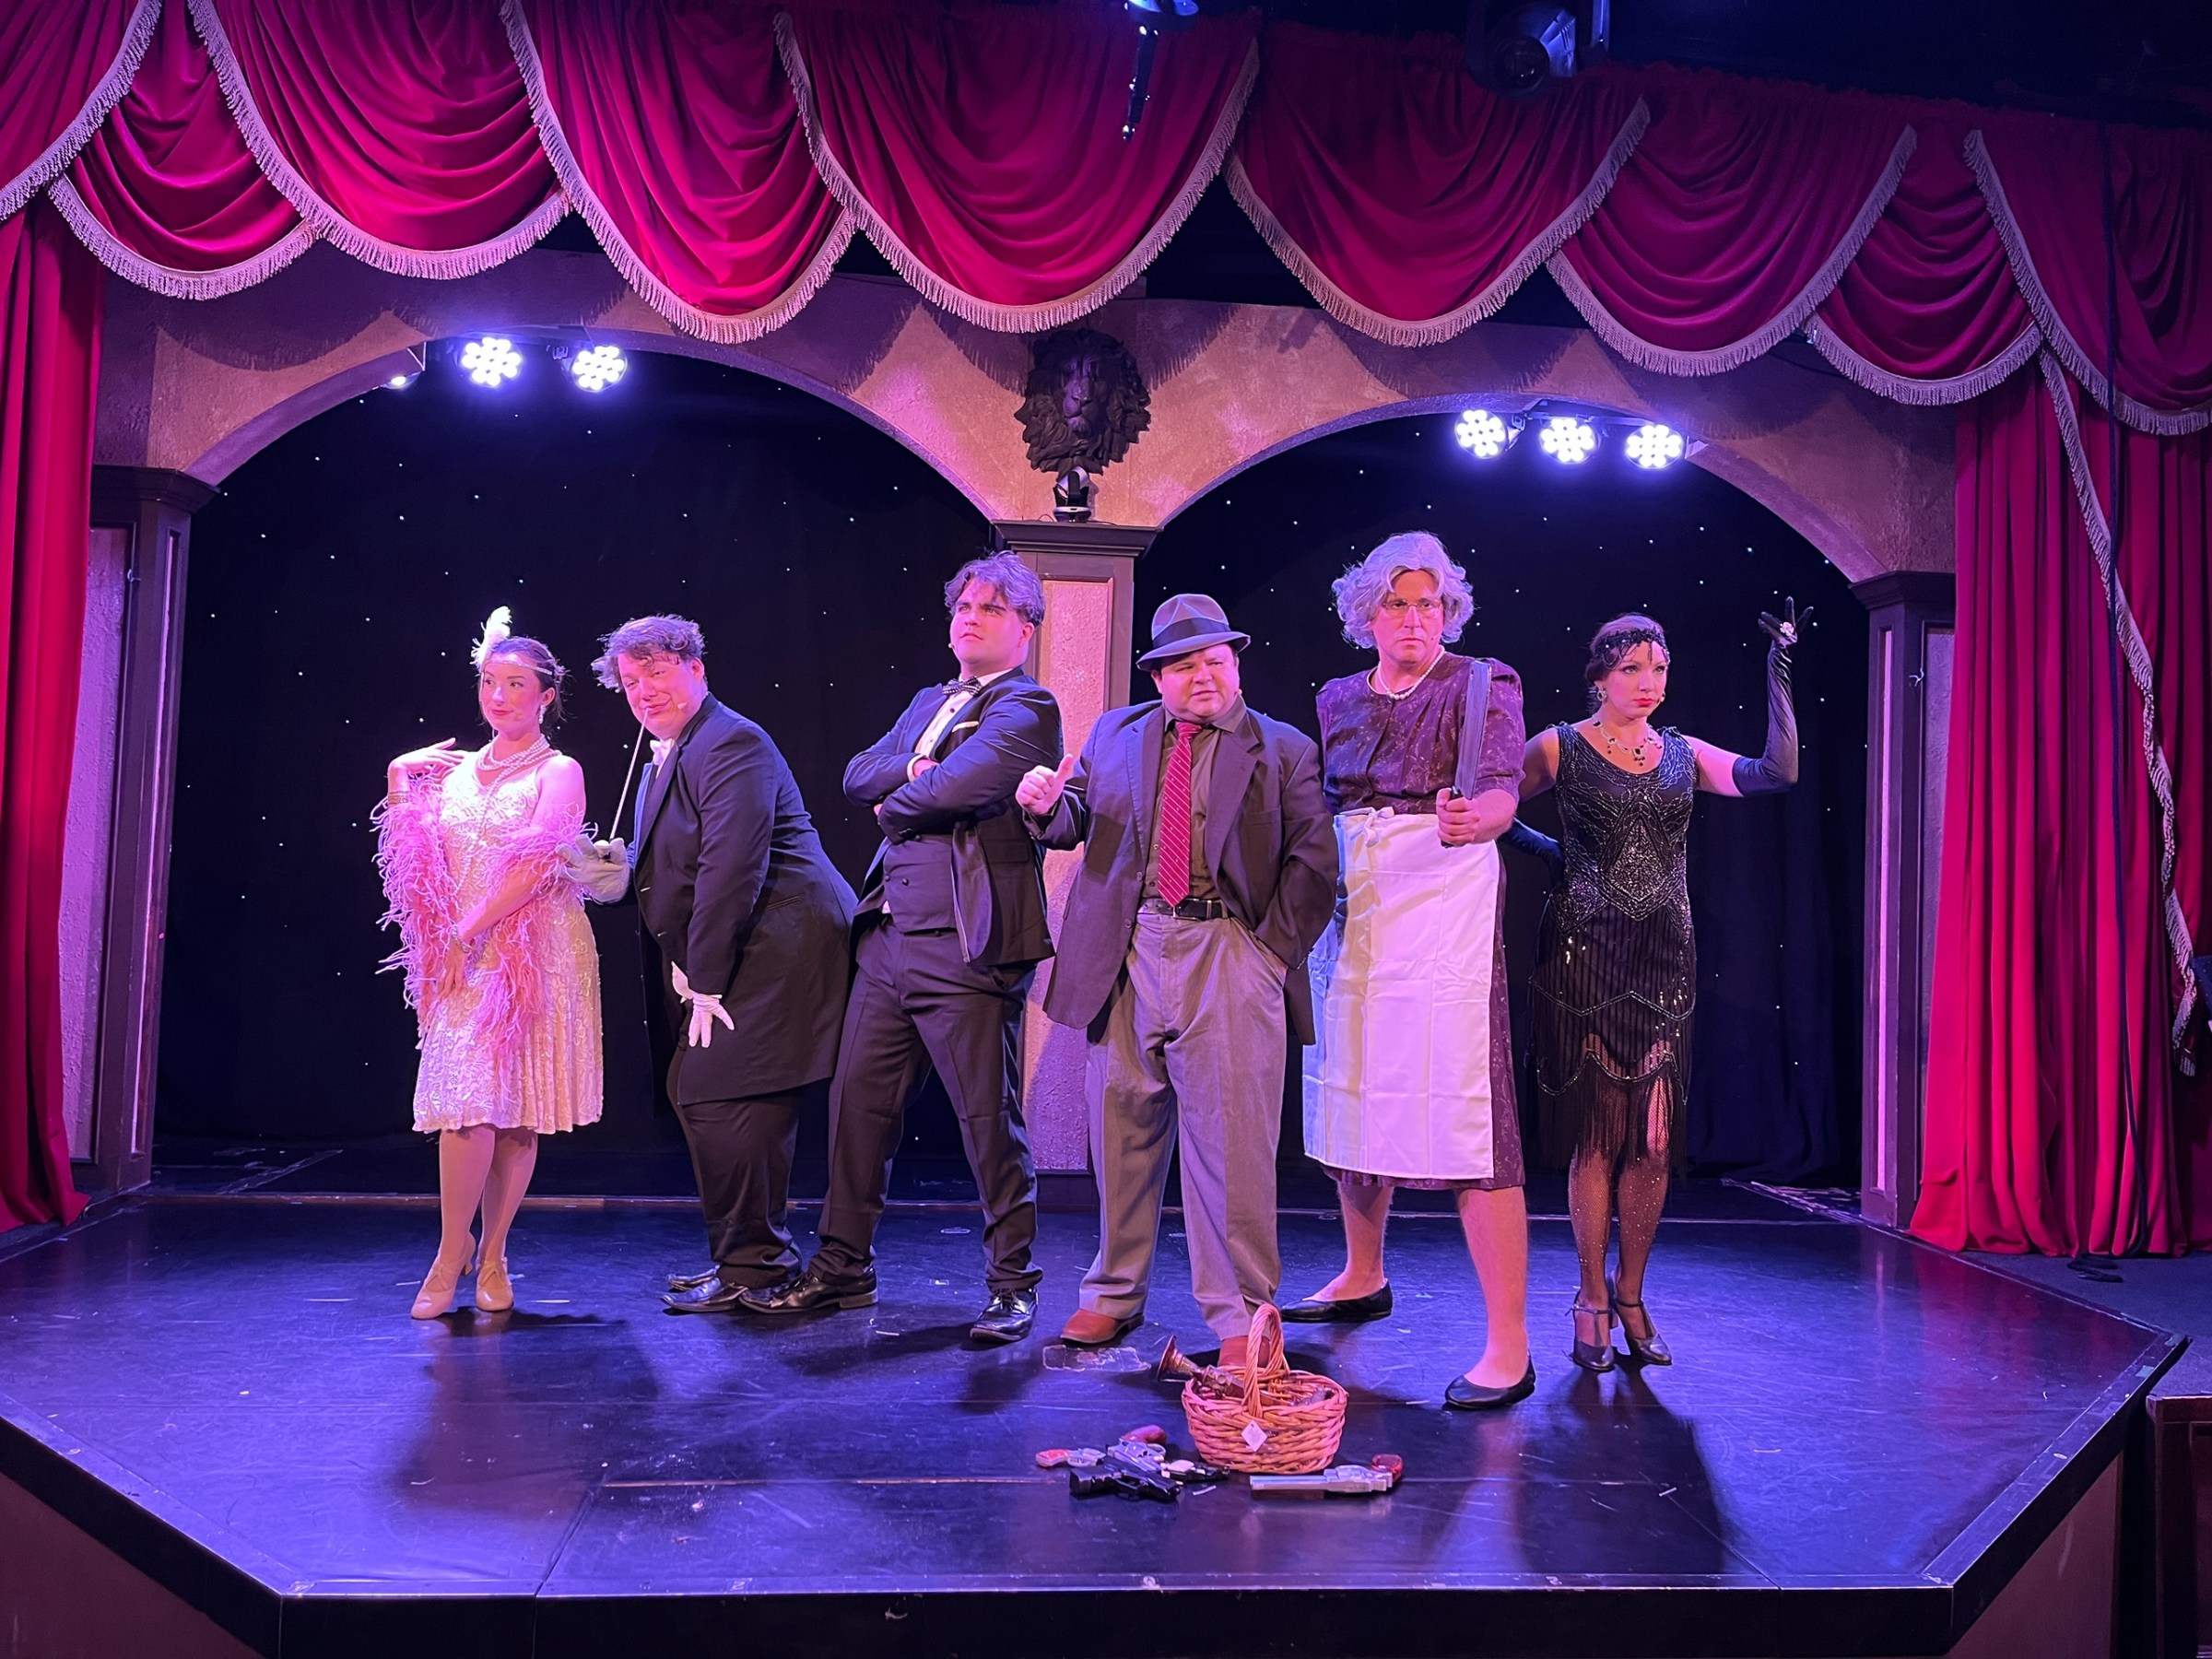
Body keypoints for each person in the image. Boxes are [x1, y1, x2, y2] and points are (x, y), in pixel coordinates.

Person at [747, 554, 1062, 1343]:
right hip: (887, 932)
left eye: (991, 608)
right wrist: (916, 766)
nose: (970, 616)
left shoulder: (1028, 705)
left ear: (1024, 628)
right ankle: (842, 1269)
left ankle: (1012, 1284)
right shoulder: (931, 699)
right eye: (963, 604)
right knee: (859, 1111)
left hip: (966, 939)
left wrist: (904, 797)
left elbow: (952, 791)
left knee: (987, 1117)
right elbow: (859, 773)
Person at [1017, 594, 1335, 1365]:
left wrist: (1269, 956)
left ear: (1237, 663)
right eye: (1186, 663)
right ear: (1159, 675)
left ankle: (1240, 1319)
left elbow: (1315, 864)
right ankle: (1112, 1295)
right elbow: (1078, 820)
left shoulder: (1282, 748)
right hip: (1127, 948)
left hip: (1228, 945)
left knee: (1232, 1145)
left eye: (1217, 659)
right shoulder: (1116, 732)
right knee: (1120, 1132)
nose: (1204, 674)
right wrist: (1045, 808)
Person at [1510, 604, 1803, 1371]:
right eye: (1632, 669)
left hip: (1665, 956)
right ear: (1600, 676)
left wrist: (1779, 669)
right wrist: (1558, 857)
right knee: (1601, 1135)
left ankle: (1632, 1292)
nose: (1648, 682)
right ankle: (1590, 1298)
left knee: (1656, 1139)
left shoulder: (1681, 753)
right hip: (1586, 955)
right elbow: (1495, 808)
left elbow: (1777, 774)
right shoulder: (1561, 746)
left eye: (1659, 668)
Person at [1288, 533, 1535, 1411]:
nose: (1415, 618)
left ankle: (1510, 1343)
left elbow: (1503, 785)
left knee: (1469, 1109)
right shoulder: (1336, 697)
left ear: (1449, 612)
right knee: (1353, 1083)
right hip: (1354, 889)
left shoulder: (1481, 682)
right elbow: (1322, 799)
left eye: (1430, 603)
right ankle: (1363, 1271)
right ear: (1367, 615)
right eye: (1397, 603)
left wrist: (1488, 818)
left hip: (1443, 881)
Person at [571, 616, 857, 1313]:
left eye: (658, 672)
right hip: (740, 948)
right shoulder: (667, 756)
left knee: (726, 1097)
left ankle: (757, 1266)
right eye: (632, 682)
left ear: (696, 668)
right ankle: (742, 1262)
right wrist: (621, 871)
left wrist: (703, 978)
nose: (645, 691)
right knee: (708, 1097)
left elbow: (733, 868)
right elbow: (684, 863)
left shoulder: (732, 742)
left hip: (779, 947)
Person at [376, 609, 601, 1320]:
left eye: (515, 684)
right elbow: (414, 860)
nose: (499, 697)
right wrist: (398, 780)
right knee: (463, 1107)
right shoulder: (456, 773)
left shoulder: (560, 771)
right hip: (460, 956)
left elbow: (536, 869)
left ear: (544, 696)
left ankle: (495, 1250)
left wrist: (465, 931)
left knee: (512, 1115)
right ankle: (451, 1252)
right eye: (489, 682)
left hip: (529, 953)